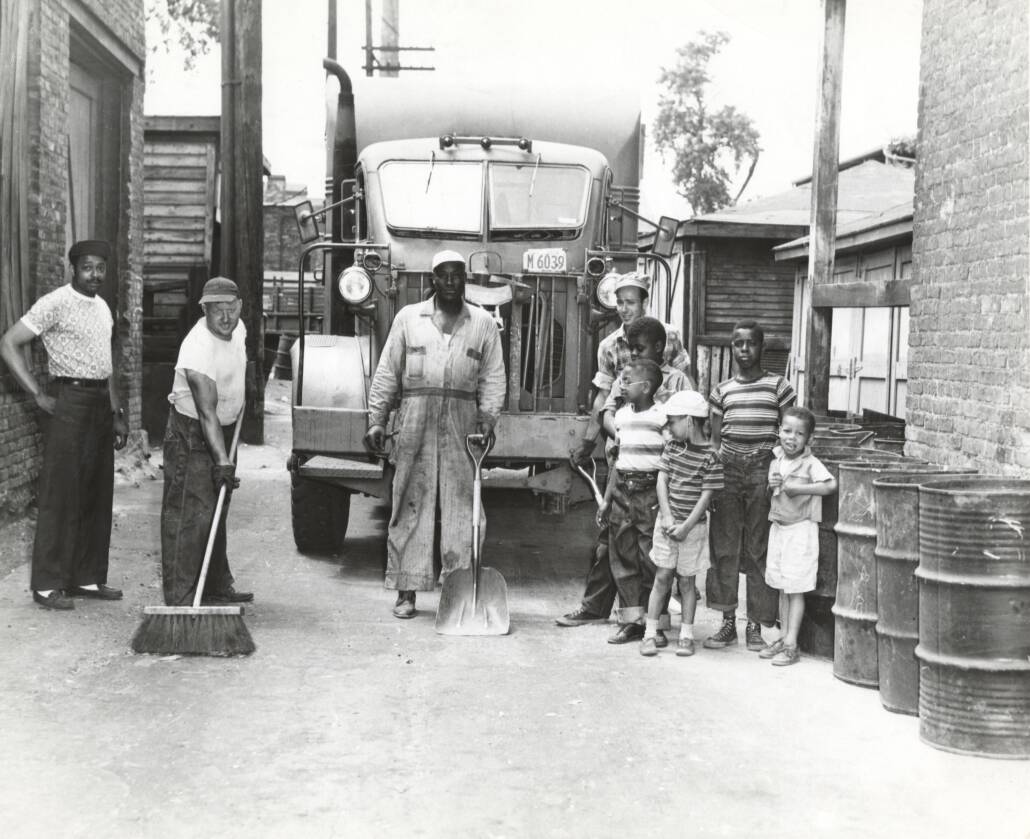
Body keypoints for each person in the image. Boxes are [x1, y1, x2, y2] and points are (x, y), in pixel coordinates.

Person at [364, 250, 506, 619]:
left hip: (464, 419)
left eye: (456, 275)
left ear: (464, 280)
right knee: (410, 499)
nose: (450, 281)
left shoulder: (483, 324)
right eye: (442, 275)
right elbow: (387, 371)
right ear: (432, 279)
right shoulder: (409, 319)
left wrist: (487, 420)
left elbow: (493, 378)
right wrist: (377, 418)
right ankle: (406, 590)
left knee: (463, 504)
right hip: (415, 417)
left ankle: (458, 591)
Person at [557, 275, 694, 628]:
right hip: (624, 461)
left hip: (661, 472)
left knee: (652, 548)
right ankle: (598, 607)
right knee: (610, 541)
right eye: (619, 301)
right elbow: (605, 405)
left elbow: (688, 416)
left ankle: (651, 620)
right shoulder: (612, 354)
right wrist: (613, 433)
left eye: (631, 301)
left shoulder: (674, 366)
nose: (624, 307)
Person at [0, 239, 128, 610]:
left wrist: (116, 414)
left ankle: (86, 578)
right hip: (67, 400)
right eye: (87, 267)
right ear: (72, 269)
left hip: (99, 405)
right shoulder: (56, 301)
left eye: (100, 268)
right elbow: (9, 342)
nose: (94, 275)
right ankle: (46, 583)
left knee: (95, 491)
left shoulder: (103, 307)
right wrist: (38, 394)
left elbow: (107, 367)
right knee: (60, 493)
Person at [704, 320, 796, 650]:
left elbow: (789, 432)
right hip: (728, 470)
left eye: (751, 343)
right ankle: (727, 621)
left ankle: (755, 624)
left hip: (763, 470)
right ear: (732, 347)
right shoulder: (721, 390)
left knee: (758, 548)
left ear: (762, 348)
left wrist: (779, 468)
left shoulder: (778, 386)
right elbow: (714, 442)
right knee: (724, 546)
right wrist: (713, 471)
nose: (744, 350)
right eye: (738, 343)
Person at [161, 276, 253, 607]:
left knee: (217, 508)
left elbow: (238, 362)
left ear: (240, 306)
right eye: (217, 311)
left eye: (231, 309)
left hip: (224, 429)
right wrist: (223, 462)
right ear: (205, 310)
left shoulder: (238, 329)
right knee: (191, 513)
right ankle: (180, 599)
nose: (226, 317)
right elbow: (206, 412)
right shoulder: (197, 347)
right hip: (192, 432)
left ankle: (215, 585)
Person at [641, 390, 723, 657]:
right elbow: (662, 481)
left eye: (672, 421)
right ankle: (649, 633)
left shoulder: (711, 457)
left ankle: (686, 635)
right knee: (662, 577)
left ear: (689, 421)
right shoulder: (672, 448)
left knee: (687, 583)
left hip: (693, 529)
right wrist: (666, 516)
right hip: (666, 526)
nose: (668, 428)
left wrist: (686, 526)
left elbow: (705, 497)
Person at [596, 358, 667, 644]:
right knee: (623, 557)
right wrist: (607, 499)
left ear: (646, 386)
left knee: (651, 558)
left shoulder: (662, 417)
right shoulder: (622, 417)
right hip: (623, 490)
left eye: (626, 381)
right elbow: (618, 461)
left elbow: (670, 461)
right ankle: (631, 622)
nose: (621, 386)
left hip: (650, 492)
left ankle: (655, 624)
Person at [759, 406, 836, 665]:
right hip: (779, 528)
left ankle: (792, 644)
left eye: (799, 434)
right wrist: (774, 485)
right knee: (782, 586)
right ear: (779, 430)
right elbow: (774, 493)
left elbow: (830, 485)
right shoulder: (776, 458)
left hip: (800, 531)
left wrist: (800, 487)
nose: (791, 437)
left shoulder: (811, 463)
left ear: (809, 439)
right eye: (787, 430)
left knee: (795, 589)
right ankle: (782, 636)